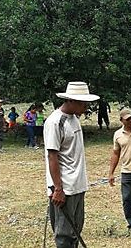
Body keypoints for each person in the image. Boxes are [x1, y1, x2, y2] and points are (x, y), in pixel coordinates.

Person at [44, 81, 99, 248]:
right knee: (64, 235)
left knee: (75, 231)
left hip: (78, 185)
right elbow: (52, 156)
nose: (86, 107)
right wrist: (58, 189)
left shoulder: (74, 119)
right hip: (64, 188)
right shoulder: (55, 122)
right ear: (70, 101)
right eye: (83, 103)